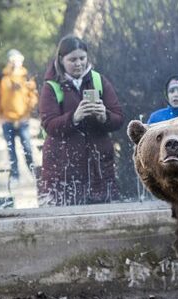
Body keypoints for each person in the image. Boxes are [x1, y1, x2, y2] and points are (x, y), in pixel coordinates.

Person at [38, 35, 124, 206]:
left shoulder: (99, 80)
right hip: (63, 168)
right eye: (72, 59)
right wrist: (74, 118)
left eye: (82, 58)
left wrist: (104, 116)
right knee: (66, 217)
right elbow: (49, 125)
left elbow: (119, 118)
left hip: (99, 167)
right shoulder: (51, 86)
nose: (78, 63)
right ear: (61, 60)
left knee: (103, 217)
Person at [0, 49, 39, 182]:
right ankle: (15, 175)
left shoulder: (26, 76)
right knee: (11, 149)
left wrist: (28, 111)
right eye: (13, 59)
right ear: (9, 60)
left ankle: (34, 174)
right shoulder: (1, 76)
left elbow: (33, 95)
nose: (15, 62)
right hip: (7, 119)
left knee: (27, 148)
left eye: (18, 59)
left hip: (23, 119)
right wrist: (0, 116)